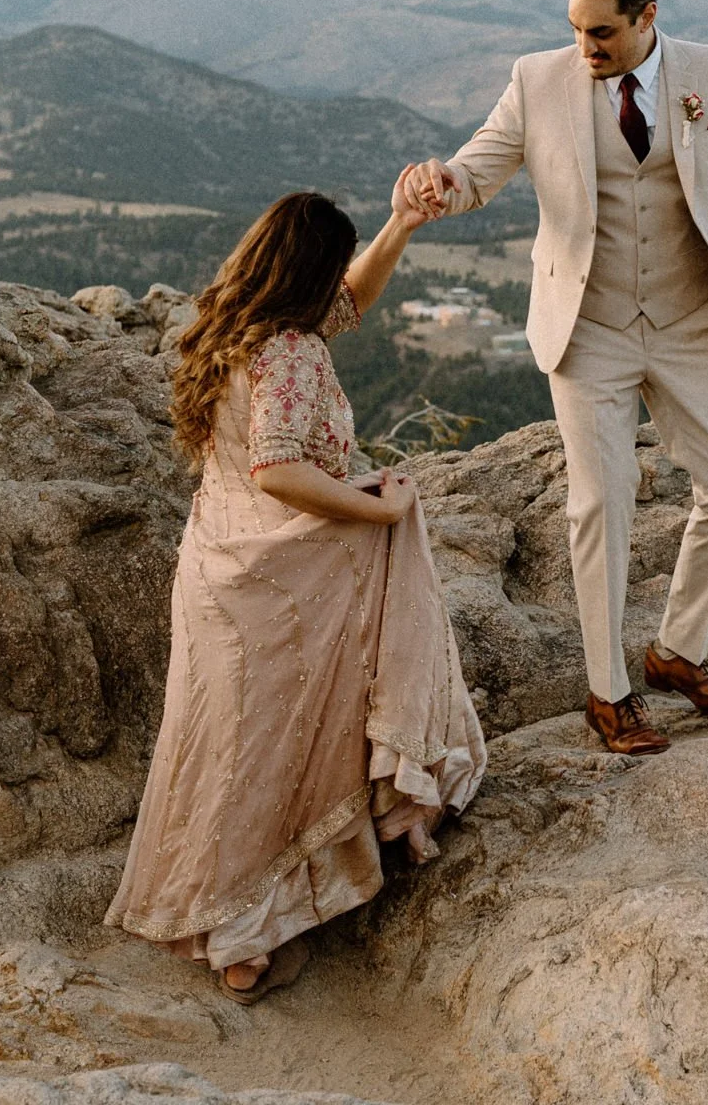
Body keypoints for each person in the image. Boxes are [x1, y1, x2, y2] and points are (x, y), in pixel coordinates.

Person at [401, 0, 708, 756]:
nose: (587, 48)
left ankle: (675, 653)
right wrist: (436, 181)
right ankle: (608, 693)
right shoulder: (536, 80)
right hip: (590, 327)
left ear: (649, 16)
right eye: (577, 30)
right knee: (602, 501)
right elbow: (475, 173)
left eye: (604, 33)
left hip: (690, 321)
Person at [104, 190, 485, 1003]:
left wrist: (402, 227)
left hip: (219, 566)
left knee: (228, 750)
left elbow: (354, 298)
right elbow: (280, 470)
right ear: (308, 275)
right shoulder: (288, 354)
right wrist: (380, 505)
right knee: (265, 754)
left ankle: (234, 914)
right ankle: (241, 927)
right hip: (271, 585)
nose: (340, 292)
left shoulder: (235, 327)